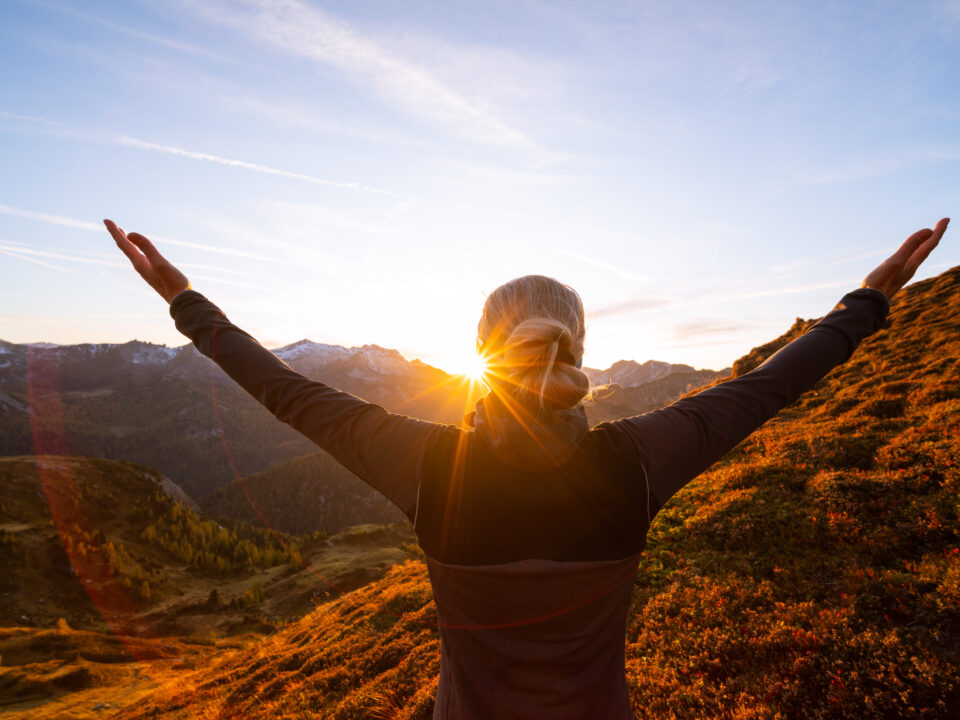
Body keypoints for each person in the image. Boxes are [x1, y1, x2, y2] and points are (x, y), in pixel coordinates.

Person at [105, 217, 948, 719]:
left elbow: (285, 391)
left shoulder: (425, 465)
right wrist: (870, 299)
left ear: (483, 353)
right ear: (580, 352)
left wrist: (187, 303)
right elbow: (771, 386)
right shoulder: (644, 459)